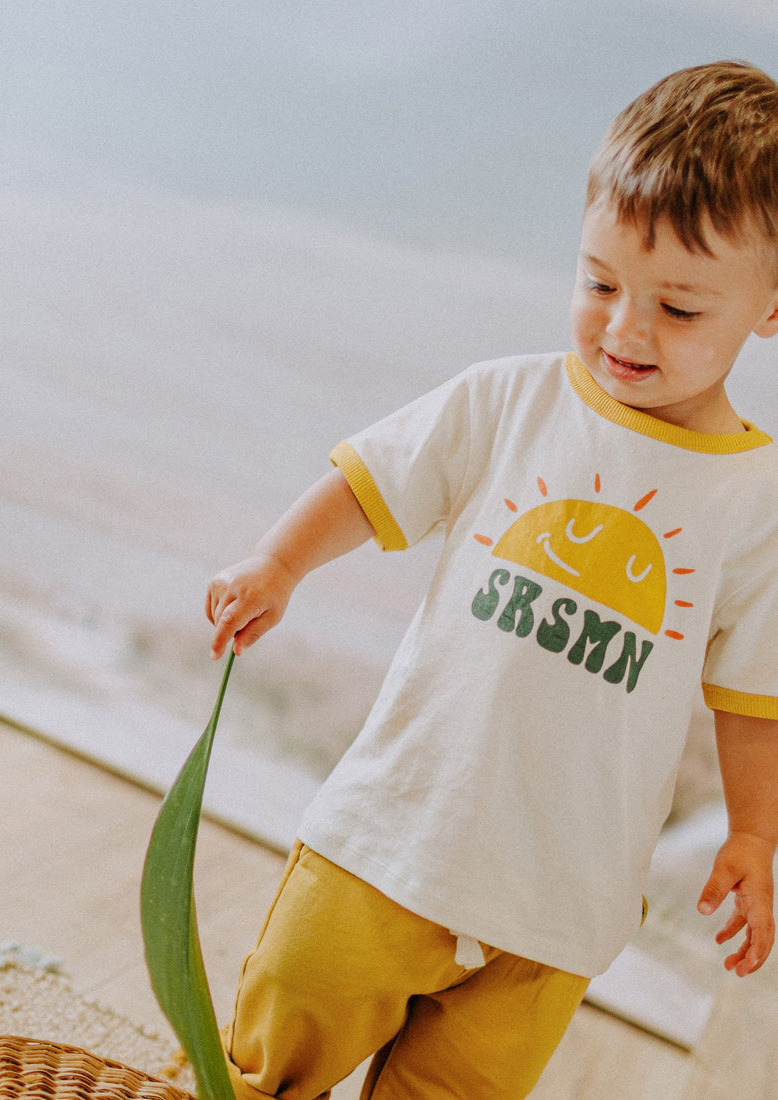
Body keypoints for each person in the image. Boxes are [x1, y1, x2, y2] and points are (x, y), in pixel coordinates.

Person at [204, 60, 778, 1099]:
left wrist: (750, 830)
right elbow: (370, 478)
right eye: (598, 281)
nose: (622, 329)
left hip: (557, 902)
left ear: (768, 307)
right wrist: (277, 563)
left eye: (677, 308)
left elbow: (752, 691)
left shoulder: (755, 499)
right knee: (262, 1055)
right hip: (392, 835)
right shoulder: (506, 400)